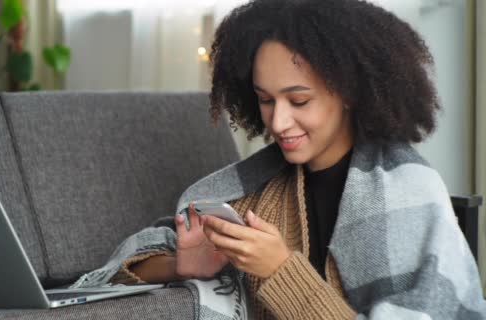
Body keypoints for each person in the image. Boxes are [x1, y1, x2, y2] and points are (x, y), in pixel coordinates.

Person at [92, 0, 486, 319]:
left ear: (348, 91)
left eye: (299, 100)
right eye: (265, 100)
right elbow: (116, 274)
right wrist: (180, 265)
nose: (278, 122)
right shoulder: (247, 190)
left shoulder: (409, 195)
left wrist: (281, 271)